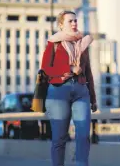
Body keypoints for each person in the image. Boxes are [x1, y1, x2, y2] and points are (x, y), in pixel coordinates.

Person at [41, 10, 97, 166]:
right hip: (58, 91)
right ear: (61, 25)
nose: (74, 24)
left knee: (84, 135)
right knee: (59, 138)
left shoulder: (82, 44)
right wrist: (70, 68)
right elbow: (46, 68)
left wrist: (93, 97)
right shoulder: (54, 43)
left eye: (75, 21)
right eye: (70, 21)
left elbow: (88, 72)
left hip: (81, 91)